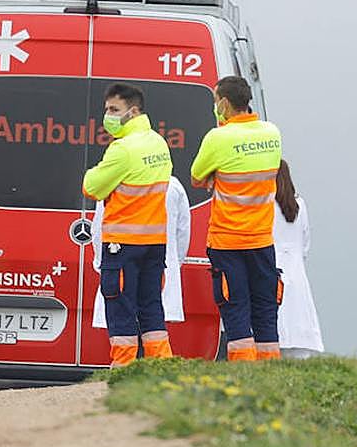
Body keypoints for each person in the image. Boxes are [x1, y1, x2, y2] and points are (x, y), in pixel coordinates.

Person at [190, 76, 283, 362]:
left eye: (216, 100)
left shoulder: (218, 138)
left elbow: (196, 177)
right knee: (266, 307)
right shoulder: (271, 133)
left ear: (225, 103)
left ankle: (242, 369)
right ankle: (269, 370)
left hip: (227, 240)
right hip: (262, 239)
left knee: (235, 306)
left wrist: (217, 176)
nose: (215, 106)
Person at [82, 82, 174, 368]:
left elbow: (91, 187)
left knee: (120, 304)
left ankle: (123, 367)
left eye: (113, 110)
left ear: (132, 112)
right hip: (154, 243)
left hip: (122, 243)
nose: (107, 115)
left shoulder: (122, 149)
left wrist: (94, 174)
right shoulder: (158, 142)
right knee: (151, 306)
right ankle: (159, 365)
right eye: (106, 109)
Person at [92, 175, 192, 333]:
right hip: (158, 271)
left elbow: (98, 232)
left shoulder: (112, 182)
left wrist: (104, 266)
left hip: (120, 267)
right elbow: (183, 232)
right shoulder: (172, 185)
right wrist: (172, 265)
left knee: (123, 329)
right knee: (154, 327)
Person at [273, 160, 324, 359]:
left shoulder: (265, 205)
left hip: (271, 268)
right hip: (296, 270)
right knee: (299, 314)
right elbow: (305, 243)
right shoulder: (299, 204)